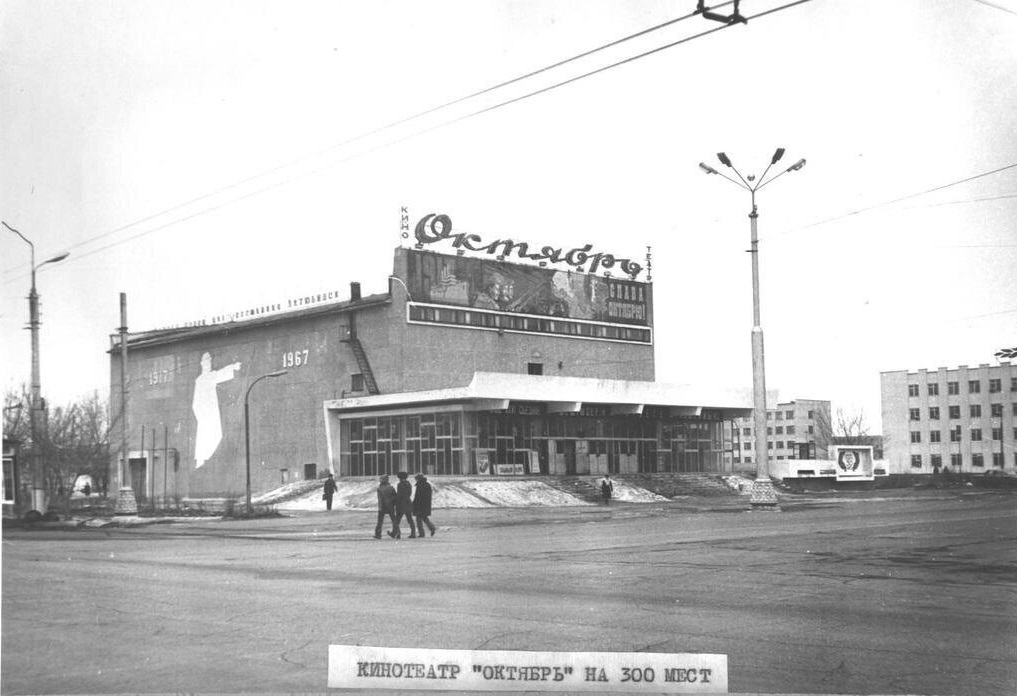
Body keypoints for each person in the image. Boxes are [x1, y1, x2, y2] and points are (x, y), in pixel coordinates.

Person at [391, 471, 415, 538]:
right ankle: (413, 533)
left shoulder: (400, 484)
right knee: (410, 519)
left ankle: (395, 533)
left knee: (397, 520)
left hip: (401, 504)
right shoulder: (408, 484)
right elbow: (409, 493)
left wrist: (396, 501)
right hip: (408, 503)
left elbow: (399, 495)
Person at [413, 473, 436, 537]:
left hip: (419, 505)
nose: (415, 480)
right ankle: (432, 528)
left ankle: (421, 533)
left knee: (418, 519)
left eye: (416, 479)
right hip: (426, 505)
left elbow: (417, 496)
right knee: (424, 518)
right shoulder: (427, 485)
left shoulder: (420, 485)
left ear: (418, 479)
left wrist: (414, 504)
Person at [374, 474, 396, 539]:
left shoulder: (380, 488)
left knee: (380, 521)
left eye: (381, 479)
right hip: (390, 506)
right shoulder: (391, 487)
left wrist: (380, 507)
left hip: (382, 507)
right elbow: (395, 497)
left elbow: (380, 499)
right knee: (393, 520)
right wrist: (393, 504)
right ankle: (397, 532)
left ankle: (378, 534)